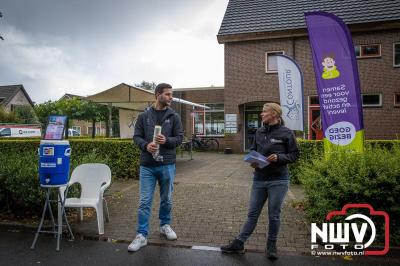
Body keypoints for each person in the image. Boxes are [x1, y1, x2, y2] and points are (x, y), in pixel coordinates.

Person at [221, 103, 299, 260]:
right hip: (259, 179)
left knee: (274, 215)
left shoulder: (287, 133)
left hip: (278, 180)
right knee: (252, 214)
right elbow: (253, 150)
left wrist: (279, 157)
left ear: (274, 114)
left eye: (264, 112)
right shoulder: (259, 131)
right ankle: (239, 243)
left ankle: (271, 246)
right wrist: (253, 160)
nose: (261, 114)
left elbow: (295, 155)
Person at [128, 83, 184, 252]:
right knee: (144, 201)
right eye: (167, 94)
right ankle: (141, 235)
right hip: (147, 166)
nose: (170, 97)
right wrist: (146, 146)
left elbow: (180, 138)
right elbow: (136, 137)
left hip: (167, 164)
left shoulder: (174, 116)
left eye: (171, 94)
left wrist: (166, 141)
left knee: (166, 199)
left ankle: (164, 225)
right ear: (157, 95)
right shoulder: (144, 116)